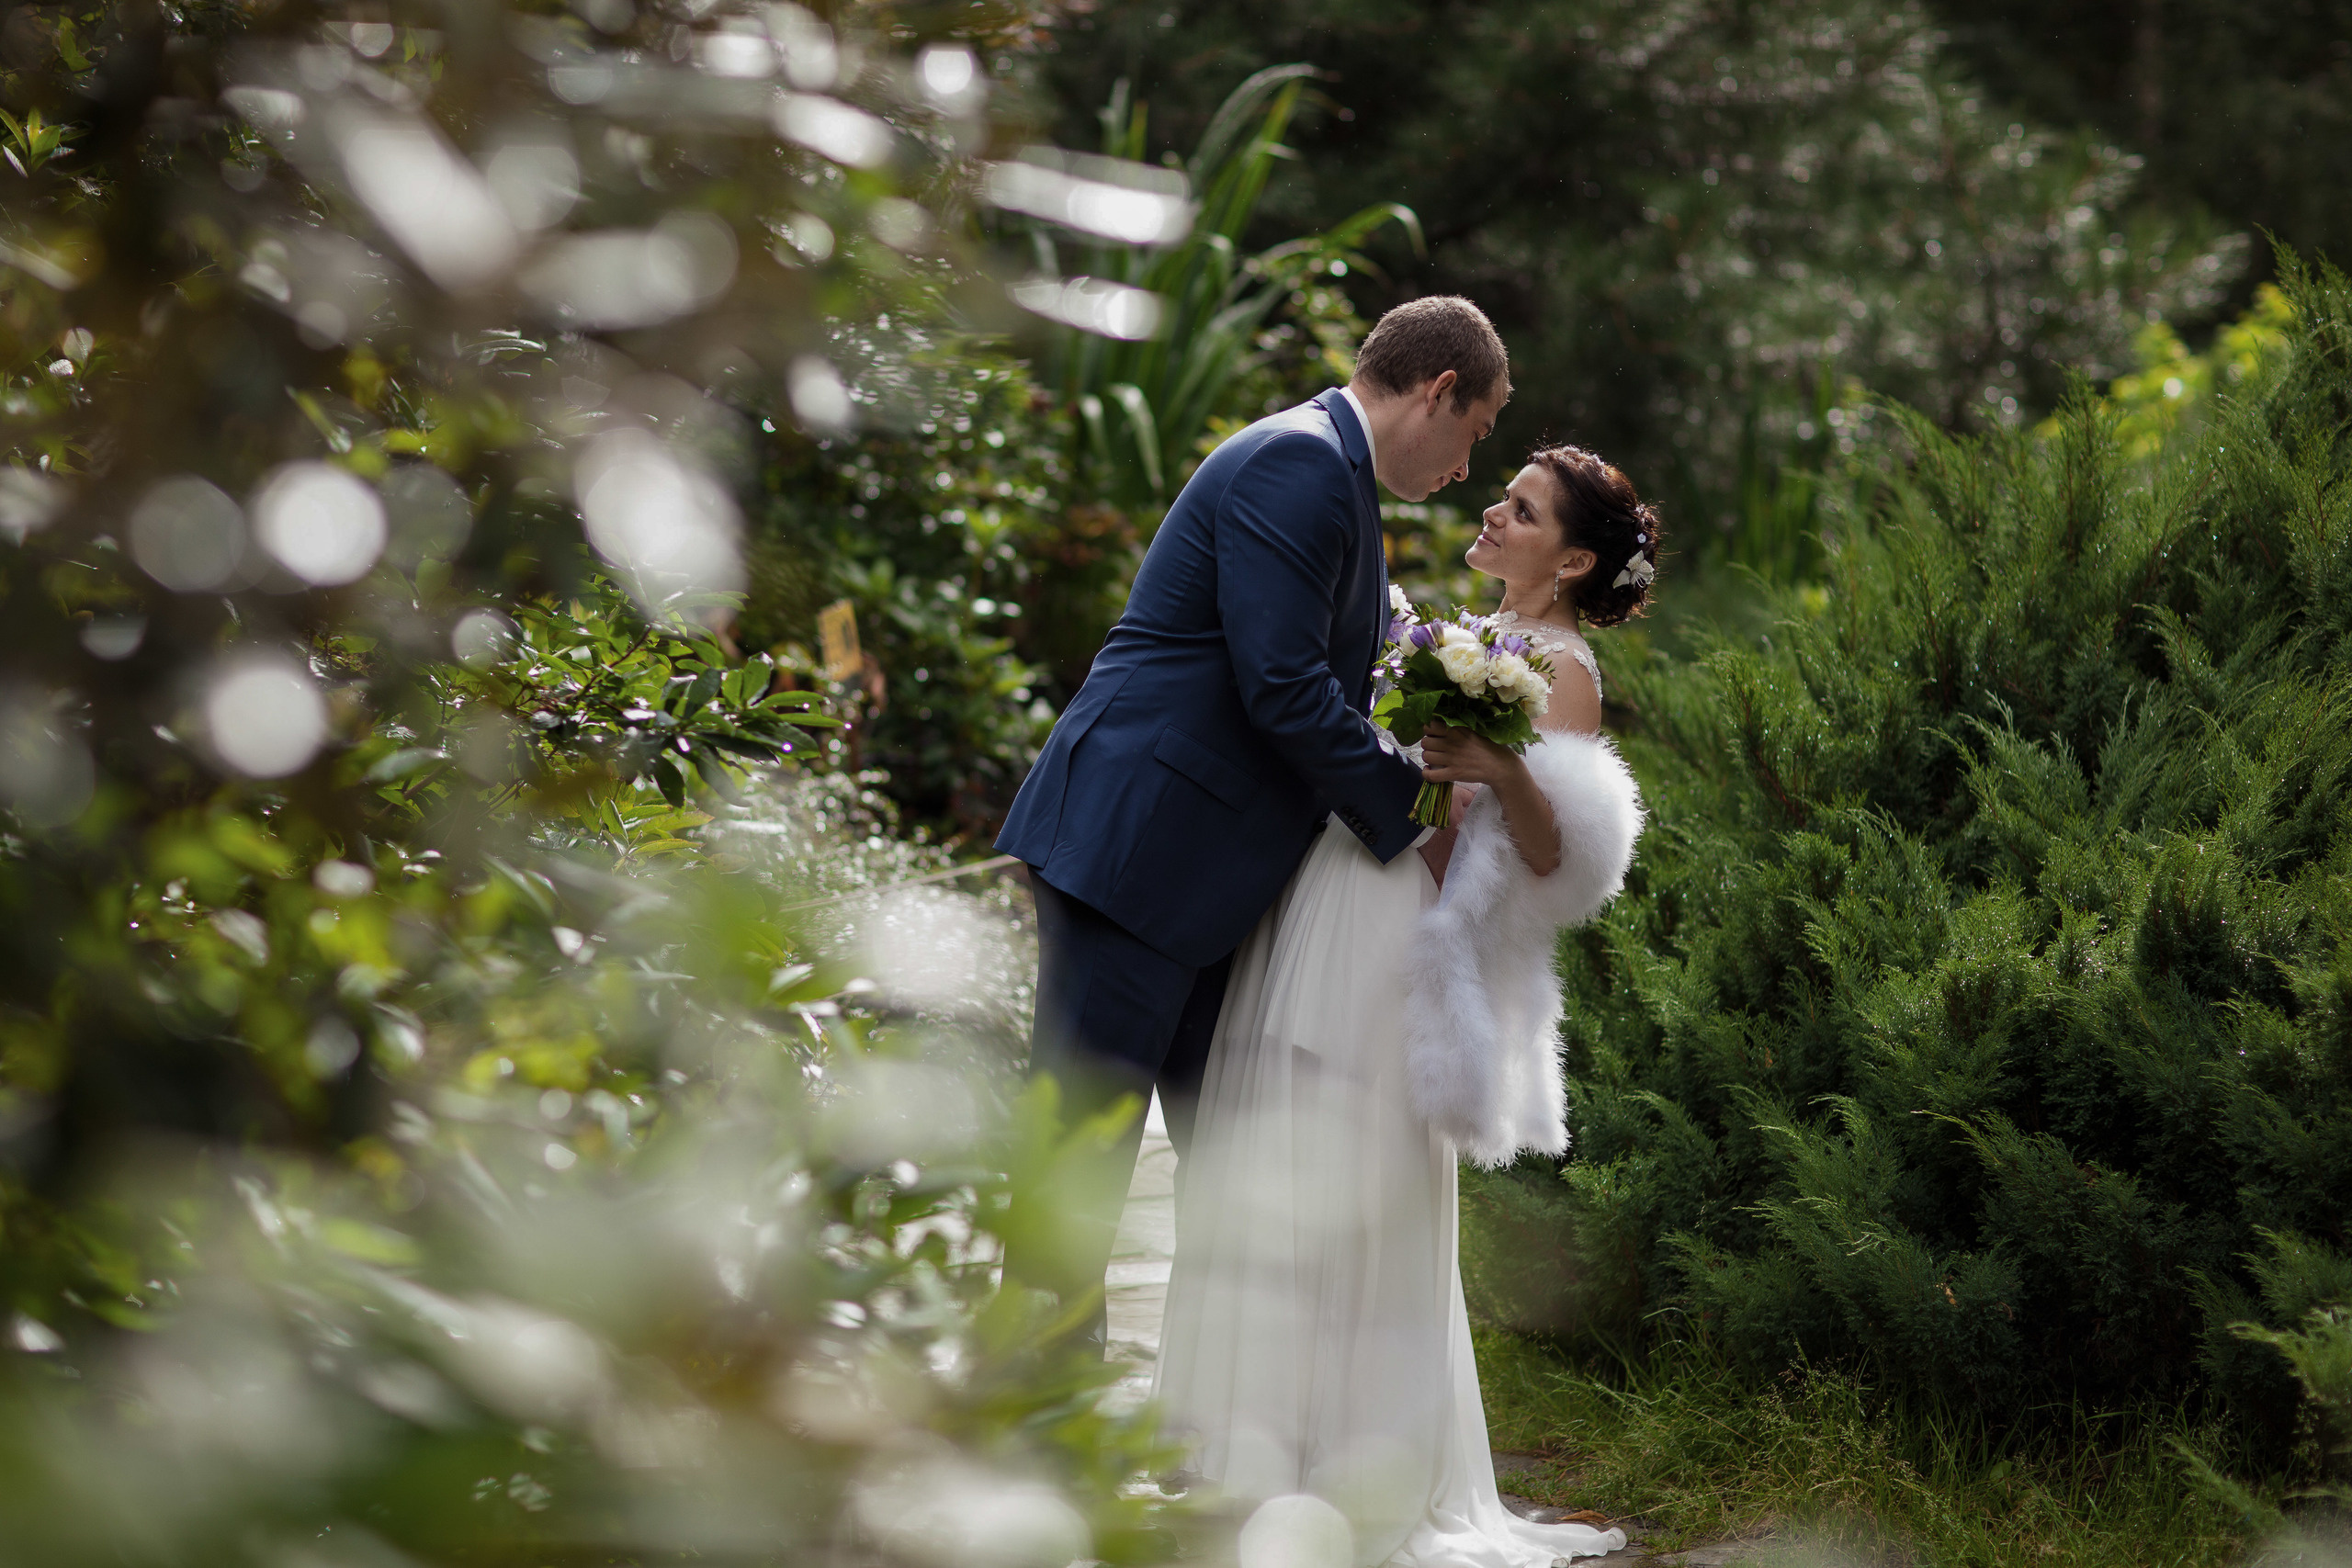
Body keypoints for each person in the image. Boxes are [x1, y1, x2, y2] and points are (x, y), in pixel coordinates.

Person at [1151, 446, 1659, 1566]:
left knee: (1361, 1174)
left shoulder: (1561, 668)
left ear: (1572, 558)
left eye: (1520, 510)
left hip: (1403, 942)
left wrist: (1503, 766)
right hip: (1334, 894)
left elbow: (1552, 858)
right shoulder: (1447, 636)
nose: (1494, 509)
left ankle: (1353, 1468)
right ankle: (1252, 1455)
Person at [994, 298, 1511, 1350]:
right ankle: (1032, 1419)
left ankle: (1222, 1407)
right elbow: (1279, 686)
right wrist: (1421, 814)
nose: (1467, 469)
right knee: (1085, 1144)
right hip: (1137, 844)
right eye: (1477, 434)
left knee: (1226, 1145)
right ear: (1439, 390)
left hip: (1193, 868)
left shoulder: (1330, 473)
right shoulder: (1303, 464)